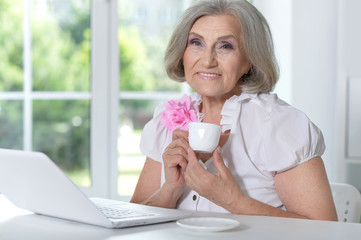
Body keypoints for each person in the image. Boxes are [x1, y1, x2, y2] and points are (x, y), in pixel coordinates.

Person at [131, 0, 338, 221]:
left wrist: (233, 200)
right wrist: (170, 190)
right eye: (196, 43)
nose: (208, 60)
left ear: (250, 60)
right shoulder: (168, 119)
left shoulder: (280, 125)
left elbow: (327, 230)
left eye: (225, 46)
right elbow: (132, 220)